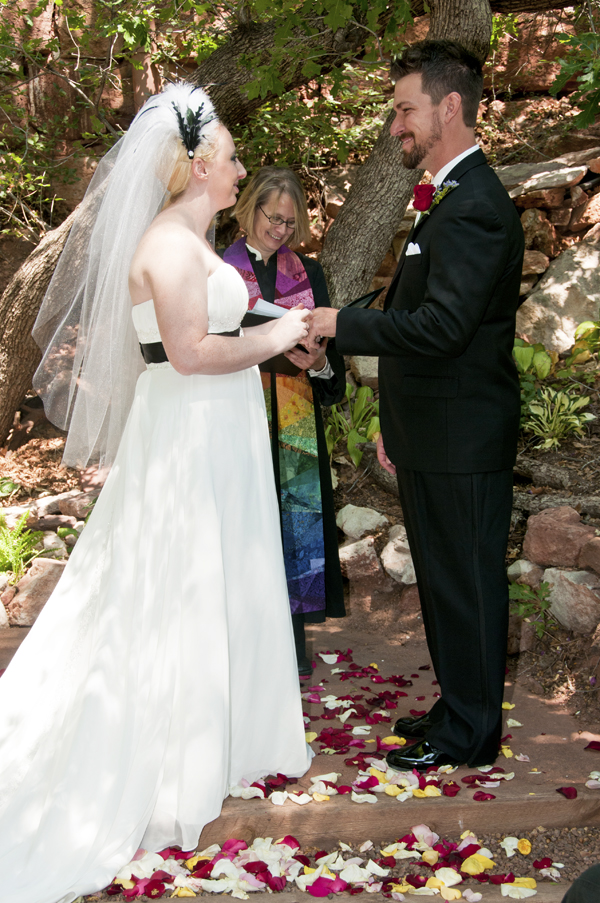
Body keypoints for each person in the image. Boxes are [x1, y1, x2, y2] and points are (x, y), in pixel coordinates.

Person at [0, 83, 313, 903]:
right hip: (189, 431)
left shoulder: (192, 241)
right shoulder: (169, 245)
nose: (240, 169)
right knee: (180, 581)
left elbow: (226, 318)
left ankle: (227, 736)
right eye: (232, 157)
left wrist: (286, 327)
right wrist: (277, 335)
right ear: (200, 165)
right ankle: (177, 759)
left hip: (218, 428)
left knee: (219, 574)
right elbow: (188, 352)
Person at [309, 39, 524, 770]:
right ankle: (458, 707)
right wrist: (393, 421)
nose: (396, 125)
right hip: (434, 431)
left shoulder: (478, 207)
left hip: (463, 437)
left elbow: (442, 328)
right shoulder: (449, 197)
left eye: (406, 110)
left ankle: (472, 733)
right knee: (443, 581)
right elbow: (416, 313)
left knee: (466, 584)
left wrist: (340, 323)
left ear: (449, 107)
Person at [223, 167, 346, 677]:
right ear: (248, 208)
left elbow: (333, 378)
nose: (280, 231)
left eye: (290, 224)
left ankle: (290, 652)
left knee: (290, 532)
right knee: (243, 528)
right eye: (273, 218)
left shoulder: (309, 275)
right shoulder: (218, 272)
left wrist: (317, 362)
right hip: (236, 417)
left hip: (295, 424)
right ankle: (240, 649)